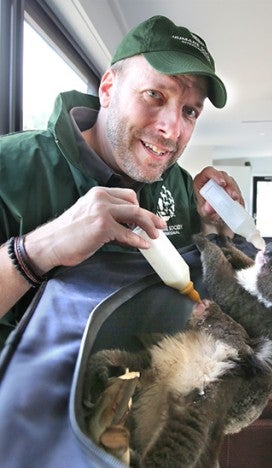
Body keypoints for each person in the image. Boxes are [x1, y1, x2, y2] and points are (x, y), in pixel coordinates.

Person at [0, 15, 243, 347]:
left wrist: (217, 225)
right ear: (108, 89)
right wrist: (40, 249)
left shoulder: (180, 185)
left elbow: (203, 283)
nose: (172, 129)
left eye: (190, 111)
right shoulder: (9, 168)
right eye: (154, 95)